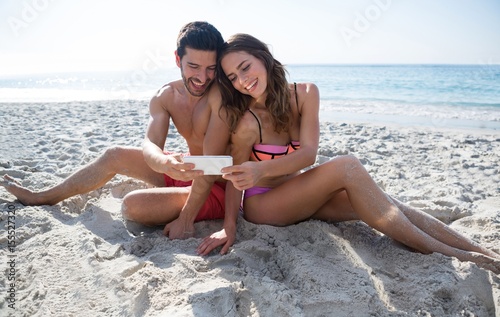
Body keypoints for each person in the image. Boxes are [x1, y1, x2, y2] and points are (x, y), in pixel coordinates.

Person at [196, 33, 500, 274]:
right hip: (265, 205)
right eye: (233, 77)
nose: (242, 80)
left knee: (381, 202)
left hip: (301, 194)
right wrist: (229, 227)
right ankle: (456, 256)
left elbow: (309, 155)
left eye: (245, 67)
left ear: (262, 57)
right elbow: (237, 176)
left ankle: (483, 253)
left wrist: (260, 168)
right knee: (347, 167)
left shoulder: (306, 93)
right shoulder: (249, 119)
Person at [0, 21, 231, 239]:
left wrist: (186, 219)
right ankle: (42, 197)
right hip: (191, 168)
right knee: (114, 155)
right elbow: (151, 144)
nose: (202, 77)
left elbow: (212, 164)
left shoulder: (220, 96)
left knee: (133, 205)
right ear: (177, 59)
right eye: (194, 66)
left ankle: (183, 203)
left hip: (217, 186)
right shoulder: (166, 96)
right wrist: (164, 163)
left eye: (211, 68)